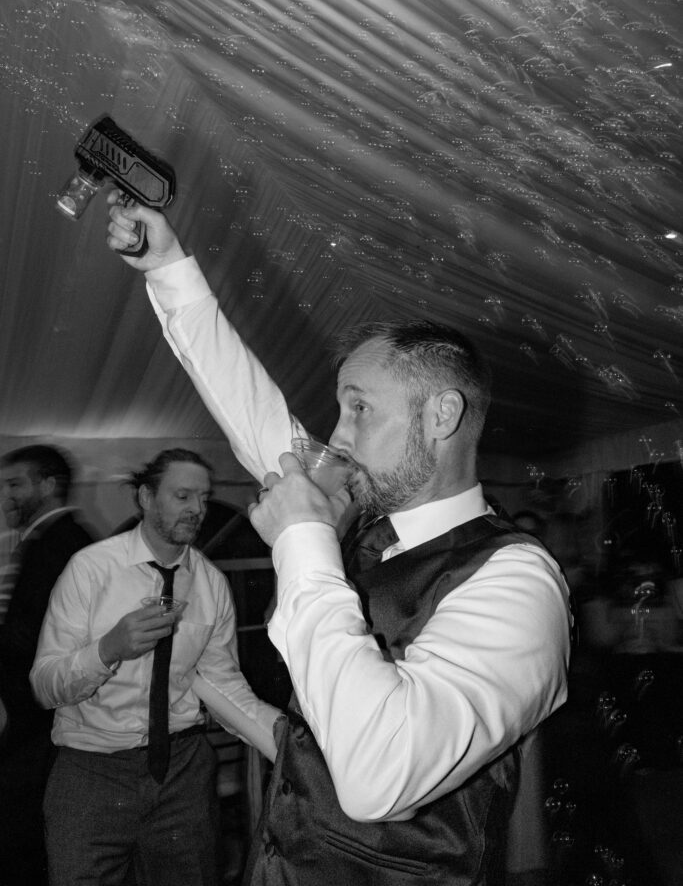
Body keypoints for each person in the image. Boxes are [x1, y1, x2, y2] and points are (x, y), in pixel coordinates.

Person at [106, 201, 573, 886]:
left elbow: (378, 777)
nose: (339, 434)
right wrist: (169, 268)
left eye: (359, 407)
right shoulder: (355, 517)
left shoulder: (518, 581)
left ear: (441, 415)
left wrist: (302, 542)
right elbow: (252, 409)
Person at [30, 448, 281, 886]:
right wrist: (108, 649)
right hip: (92, 772)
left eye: (203, 498)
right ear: (146, 497)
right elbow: (44, 686)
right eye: (182, 495)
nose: (197, 510)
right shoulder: (90, 570)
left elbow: (222, 686)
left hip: (183, 772)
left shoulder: (210, 583)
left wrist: (287, 746)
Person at [0, 444, 94, 886]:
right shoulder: (49, 541)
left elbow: (37, 637)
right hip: (34, 719)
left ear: (49, 485)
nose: (6, 497)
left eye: (15, 484)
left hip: (47, 721)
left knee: (26, 830)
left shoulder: (65, 545)